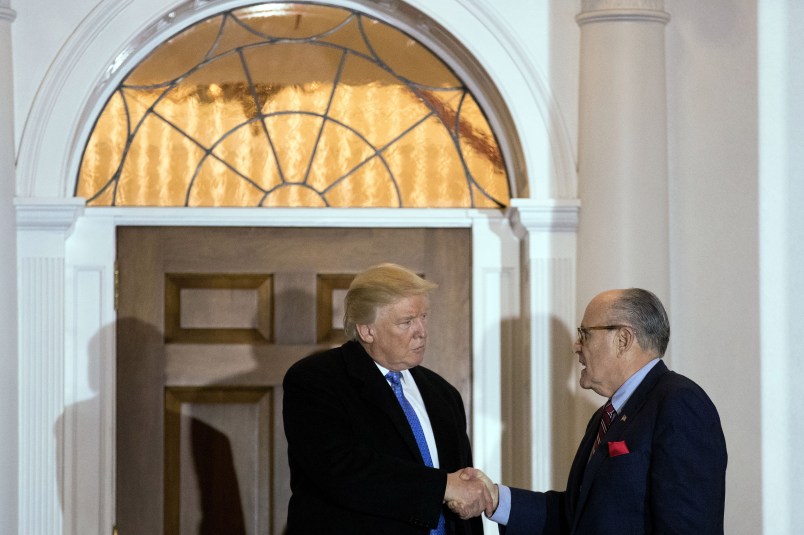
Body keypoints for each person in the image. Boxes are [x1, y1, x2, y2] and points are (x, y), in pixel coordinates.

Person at [455, 288, 728, 534]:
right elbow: (575, 516)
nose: (577, 346)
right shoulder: (605, 417)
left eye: (585, 334)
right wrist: (495, 499)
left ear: (623, 339)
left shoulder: (679, 403)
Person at [282, 263, 489, 534]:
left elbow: (462, 501)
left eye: (423, 317)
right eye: (407, 321)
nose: (422, 331)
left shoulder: (443, 393)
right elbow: (343, 473)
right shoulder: (316, 380)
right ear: (367, 330)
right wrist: (443, 486)